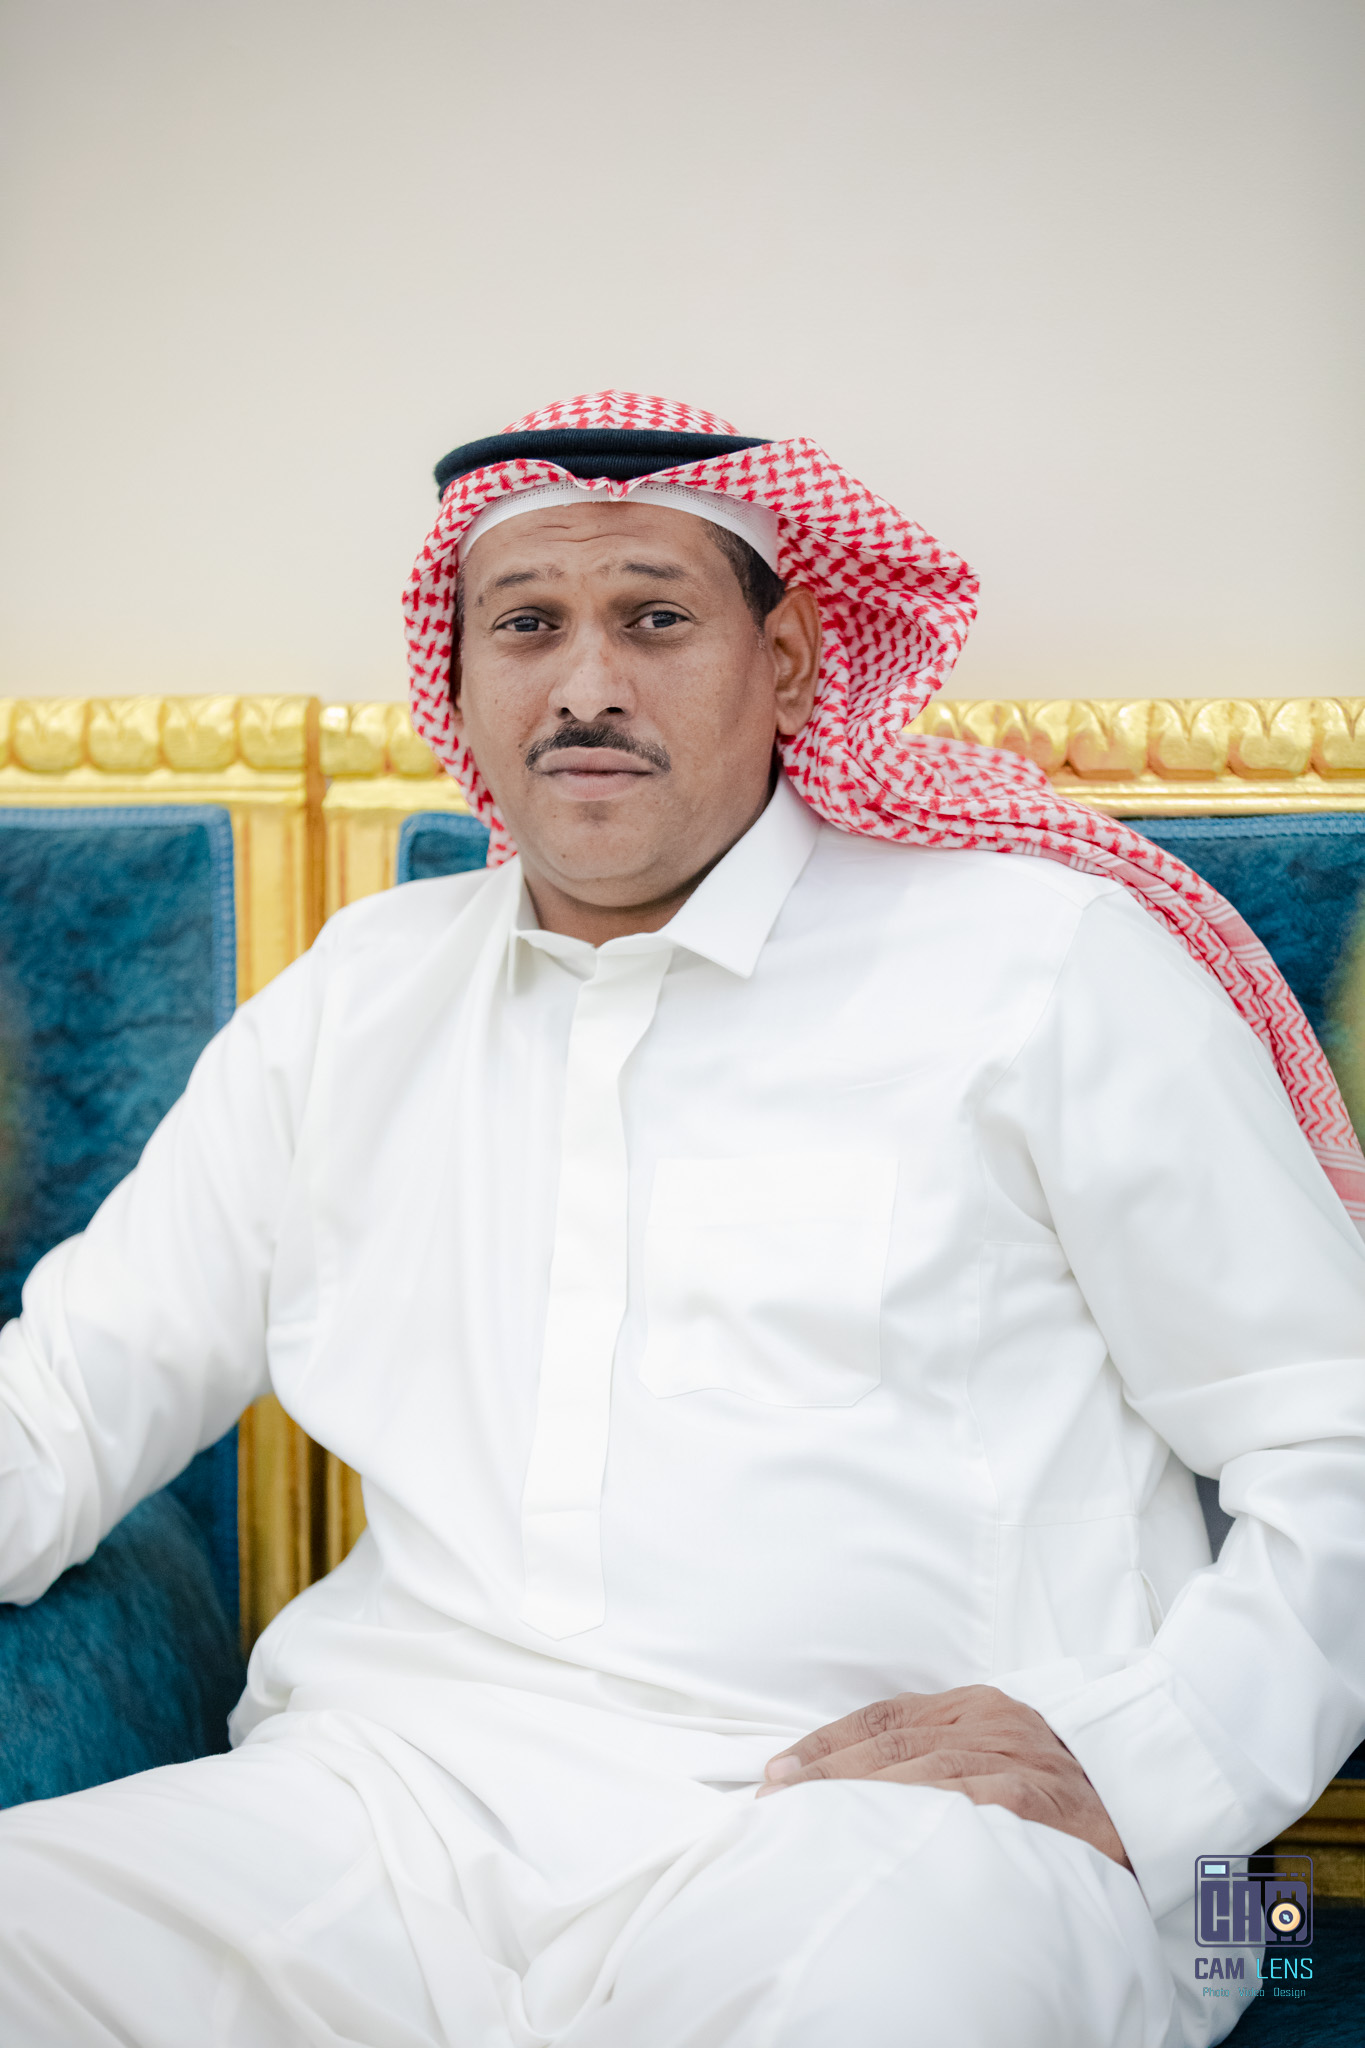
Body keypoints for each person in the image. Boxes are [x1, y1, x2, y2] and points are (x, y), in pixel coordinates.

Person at [0, 389, 1362, 2048]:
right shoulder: (358, 996)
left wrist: (1151, 1753)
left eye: (652, 618)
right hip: (386, 1809)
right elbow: (61, 1408)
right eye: (527, 625)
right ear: (458, 676)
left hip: (882, 1839)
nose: (585, 685)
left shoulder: (1039, 967)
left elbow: (1334, 1433)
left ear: (785, 659)